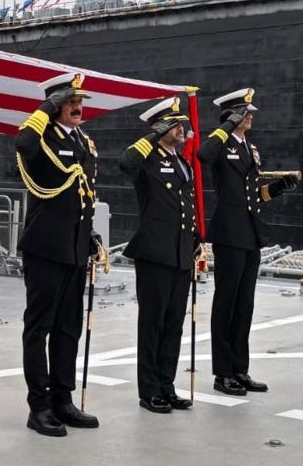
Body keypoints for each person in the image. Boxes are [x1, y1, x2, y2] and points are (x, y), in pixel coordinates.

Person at [197, 88, 300, 396]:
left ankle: (240, 369)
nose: (251, 116)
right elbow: (203, 155)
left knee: (245, 305)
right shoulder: (222, 143)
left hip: (250, 232)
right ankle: (222, 373)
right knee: (226, 304)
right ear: (234, 115)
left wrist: (279, 187)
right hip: (229, 233)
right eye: (246, 112)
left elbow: (255, 195)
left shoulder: (249, 148)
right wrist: (227, 125)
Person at [15, 73, 102, 436]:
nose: (77, 107)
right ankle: (39, 406)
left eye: (79, 101)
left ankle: (62, 398)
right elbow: (22, 142)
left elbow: (82, 195)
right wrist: (47, 109)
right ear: (54, 105)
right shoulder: (41, 137)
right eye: (69, 101)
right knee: (39, 327)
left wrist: (89, 236)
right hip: (46, 247)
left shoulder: (83, 141)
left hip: (74, 247)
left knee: (69, 326)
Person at [117, 96, 197, 414]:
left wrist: (194, 236)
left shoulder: (180, 161)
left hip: (180, 251)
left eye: (180, 124)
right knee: (152, 324)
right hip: (154, 251)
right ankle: (149, 390)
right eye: (174, 124)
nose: (181, 129)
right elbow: (126, 163)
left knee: (173, 323)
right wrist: (153, 135)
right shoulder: (147, 159)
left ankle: (167, 384)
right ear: (159, 126)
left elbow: (185, 202)